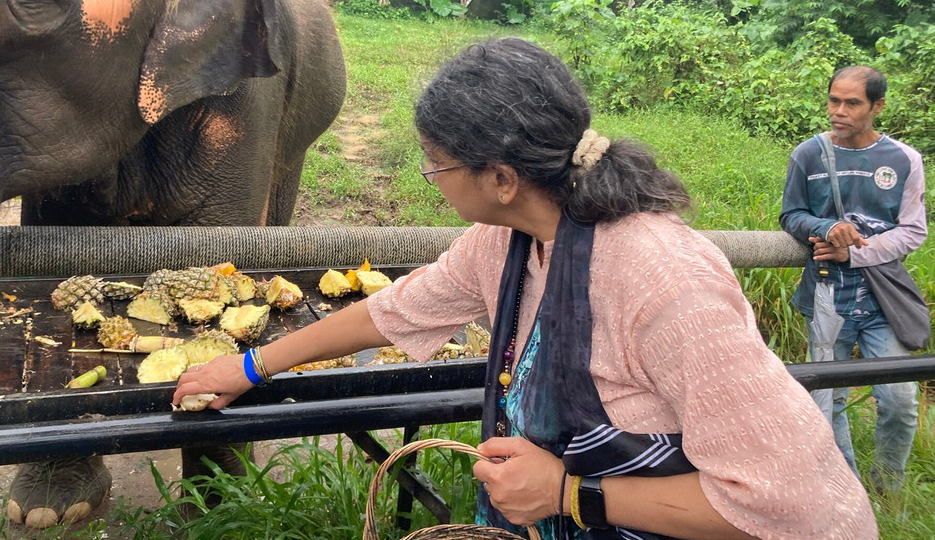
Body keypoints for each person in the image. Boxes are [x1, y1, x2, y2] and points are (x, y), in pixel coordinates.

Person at [176, 38, 876, 539]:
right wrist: (247, 366)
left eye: (435, 166)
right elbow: (391, 312)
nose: (432, 179)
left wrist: (569, 493)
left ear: (502, 178)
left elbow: (785, 505)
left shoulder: (663, 283)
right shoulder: (508, 241)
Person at [780, 65, 927, 493]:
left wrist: (857, 253)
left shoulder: (903, 160)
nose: (838, 111)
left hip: (883, 301)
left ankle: (889, 488)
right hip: (826, 296)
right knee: (829, 400)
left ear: (877, 106)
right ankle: (850, 490)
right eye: (833, 100)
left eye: (852, 103)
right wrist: (825, 229)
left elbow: (914, 229)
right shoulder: (808, 154)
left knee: (899, 400)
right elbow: (790, 214)